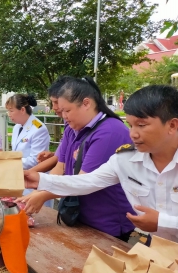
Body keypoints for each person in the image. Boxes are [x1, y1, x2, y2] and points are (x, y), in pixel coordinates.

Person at [22, 85, 178, 243]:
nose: (133, 134)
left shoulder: (108, 132)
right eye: (131, 125)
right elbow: (88, 181)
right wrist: (40, 180)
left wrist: (162, 222)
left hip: (119, 228)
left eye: (141, 125)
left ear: (172, 125)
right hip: (152, 248)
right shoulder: (125, 159)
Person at [19, 77, 135, 241]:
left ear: (86, 103)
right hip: (79, 215)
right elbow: (61, 166)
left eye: (67, 110)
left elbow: (84, 182)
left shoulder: (109, 132)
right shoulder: (73, 128)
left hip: (106, 222)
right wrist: (37, 192)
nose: (63, 116)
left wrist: (43, 195)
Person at [33, 76, 73, 173]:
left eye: (56, 102)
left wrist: (27, 174)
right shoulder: (18, 126)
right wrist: (54, 154)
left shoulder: (37, 125)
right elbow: (62, 155)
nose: (54, 107)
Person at [7, 94, 50, 172]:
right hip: (19, 172)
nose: (9, 114)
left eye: (11, 111)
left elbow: (35, 160)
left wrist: (9, 162)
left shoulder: (39, 129)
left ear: (22, 110)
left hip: (34, 175)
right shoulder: (17, 127)